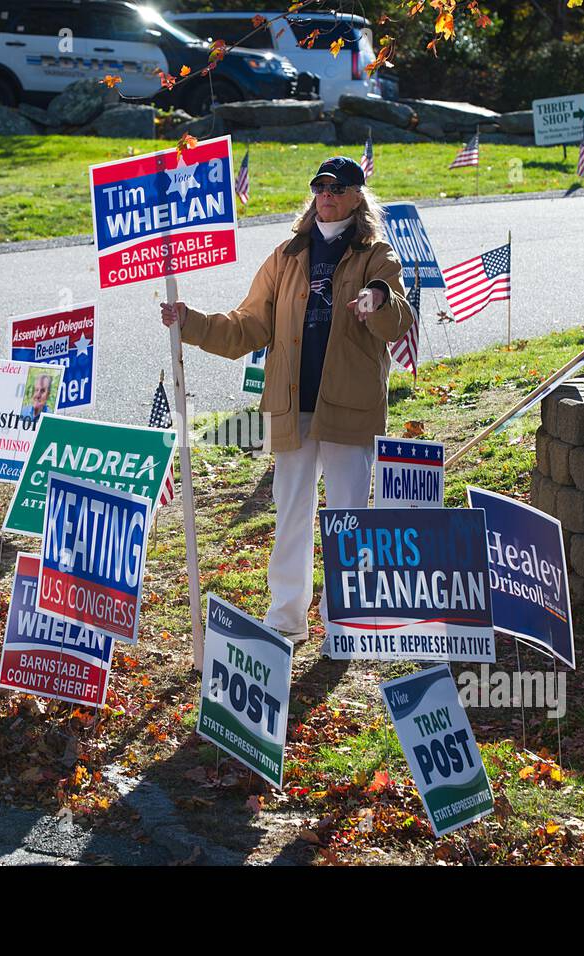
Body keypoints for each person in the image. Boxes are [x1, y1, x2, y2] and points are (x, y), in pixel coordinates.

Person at [160, 156, 414, 644]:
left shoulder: (375, 255)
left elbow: (397, 319)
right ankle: (286, 619)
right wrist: (190, 322)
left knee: (348, 520)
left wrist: (378, 299)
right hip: (291, 405)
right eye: (320, 187)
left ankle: (346, 624)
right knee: (291, 514)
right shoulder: (287, 255)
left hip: (350, 406)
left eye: (338, 188)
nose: (327, 195)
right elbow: (246, 327)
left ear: (358, 196)